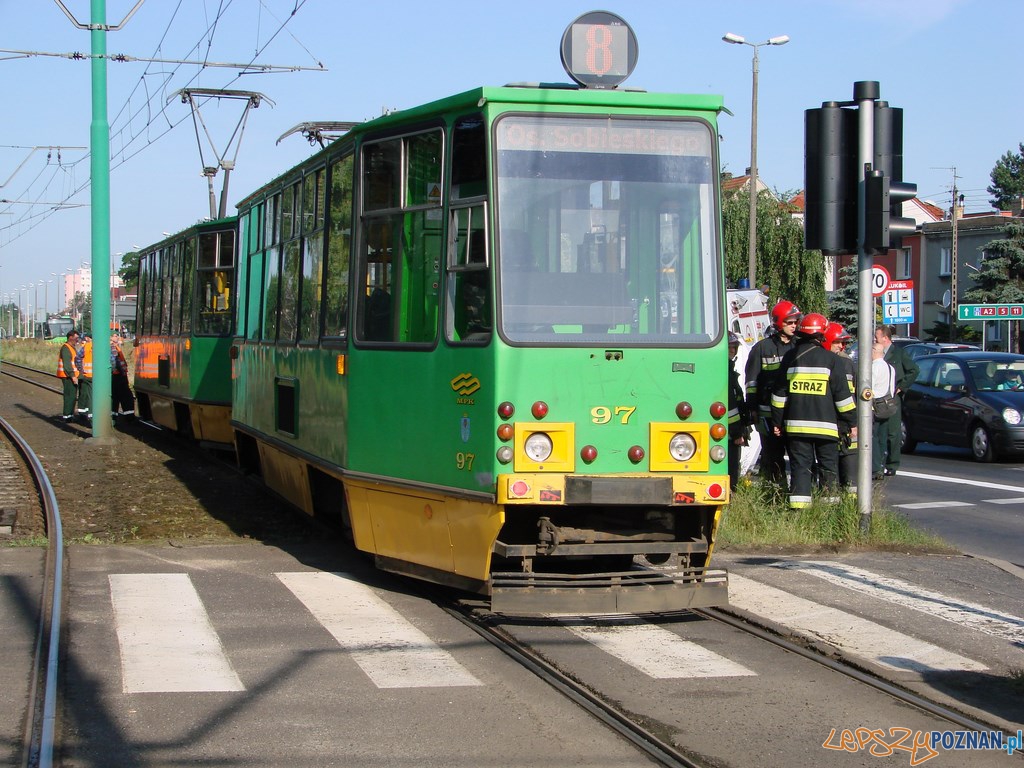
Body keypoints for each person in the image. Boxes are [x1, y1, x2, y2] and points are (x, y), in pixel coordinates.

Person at [770, 313, 857, 509]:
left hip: (797, 427)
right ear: (822, 335)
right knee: (829, 469)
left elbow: (778, 395)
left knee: (800, 469)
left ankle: (799, 512)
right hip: (827, 428)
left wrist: (777, 422)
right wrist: (851, 422)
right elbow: (842, 397)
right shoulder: (830, 359)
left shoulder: (791, 358)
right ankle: (827, 514)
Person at [745, 299, 801, 488]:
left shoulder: (799, 347)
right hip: (767, 413)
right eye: (789, 322)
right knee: (772, 455)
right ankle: (774, 492)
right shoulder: (762, 348)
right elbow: (751, 383)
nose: (794, 326)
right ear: (778, 323)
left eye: (796, 322)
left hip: (792, 412)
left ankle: (793, 492)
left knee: (795, 455)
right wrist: (752, 409)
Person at [873, 325, 919, 476]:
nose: (874, 340)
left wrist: (902, 387)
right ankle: (878, 463)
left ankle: (892, 464)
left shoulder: (898, 353)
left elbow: (913, 370)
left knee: (893, 432)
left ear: (885, 338)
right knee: (879, 433)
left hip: (892, 398)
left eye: (876, 337)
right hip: (877, 398)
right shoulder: (876, 354)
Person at [824, 322, 858, 491]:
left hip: (848, 425)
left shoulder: (848, 364)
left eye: (843, 343)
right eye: (837, 342)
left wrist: (854, 423)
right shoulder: (823, 362)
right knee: (830, 470)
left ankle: (852, 509)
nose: (841, 347)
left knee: (850, 472)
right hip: (830, 423)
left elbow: (855, 394)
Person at [726, 332, 750, 489]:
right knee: (731, 473)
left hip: (731, 433)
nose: (733, 351)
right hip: (729, 435)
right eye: (729, 348)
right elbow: (731, 408)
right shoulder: (724, 374)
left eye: (734, 348)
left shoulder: (728, 371)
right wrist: (737, 433)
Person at [870, 342, 897, 480]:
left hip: (876, 406)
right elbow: (892, 389)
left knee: (872, 437)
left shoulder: (874, 367)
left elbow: (869, 389)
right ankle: (881, 466)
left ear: (874, 351)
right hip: (888, 406)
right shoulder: (890, 368)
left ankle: (875, 468)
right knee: (882, 438)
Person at [56, 329, 80, 421]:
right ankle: (67, 415)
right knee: (70, 395)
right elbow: (67, 364)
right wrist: (72, 376)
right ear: (70, 337)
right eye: (76, 338)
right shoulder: (66, 348)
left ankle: (69, 414)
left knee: (72, 395)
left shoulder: (71, 347)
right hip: (67, 376)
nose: (77, 340)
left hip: (70, 375)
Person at [110, 335, 135, 419]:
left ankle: (114, 416)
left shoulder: (115, 347)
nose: (117, 337)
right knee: (126, 396)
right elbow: (115, 361)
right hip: (118, 376)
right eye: (115, 336)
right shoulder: (112, 347)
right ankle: (129, 417)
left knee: (116, 397)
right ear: (110, 337)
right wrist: (121, 371)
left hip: (118, 375)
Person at [75, 331, 93, 422]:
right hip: (99, 377)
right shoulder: (103, 346)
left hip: (87, 375)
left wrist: (81, 369)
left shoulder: (86, 346)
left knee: (89, 396)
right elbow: (112, 360)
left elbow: (77, 358)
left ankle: (90, 416)